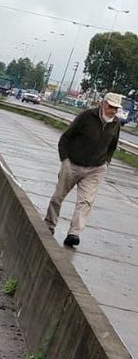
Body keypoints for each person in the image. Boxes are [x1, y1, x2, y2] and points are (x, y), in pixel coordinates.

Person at [44, 92, 122, 247]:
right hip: (73, 164)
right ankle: (49, 225)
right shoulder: (87, 116)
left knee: (86, 202)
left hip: (95, 168)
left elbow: (112, 146)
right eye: (111, 107)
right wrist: (65, 160)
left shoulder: (116, 124)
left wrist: (106, 162)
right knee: (57, 197)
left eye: (116, 108)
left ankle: (74, 233)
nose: (113, 111)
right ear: (103, 104)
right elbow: (66, 137)